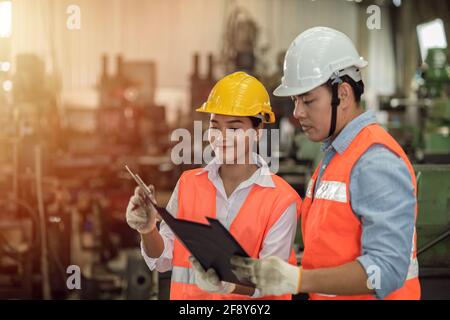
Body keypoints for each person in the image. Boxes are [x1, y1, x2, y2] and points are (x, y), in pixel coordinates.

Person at [231, 27, 420, 300]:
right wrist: (241, 280)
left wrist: (298, 279)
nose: (297, 113)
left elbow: (387, 269)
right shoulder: (335, 155)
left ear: (342, 94)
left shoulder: (375, 161)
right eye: (296, 100)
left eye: (308, 101)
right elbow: (329, 249)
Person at [126, 71, 302, 300]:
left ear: (258, 131)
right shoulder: (188, 185)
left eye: (234, 127)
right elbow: (162, 260)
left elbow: (273, 283)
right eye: (215, 126)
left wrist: (230, 286)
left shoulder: (280, 200)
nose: (222, 136)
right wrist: (147, 230)